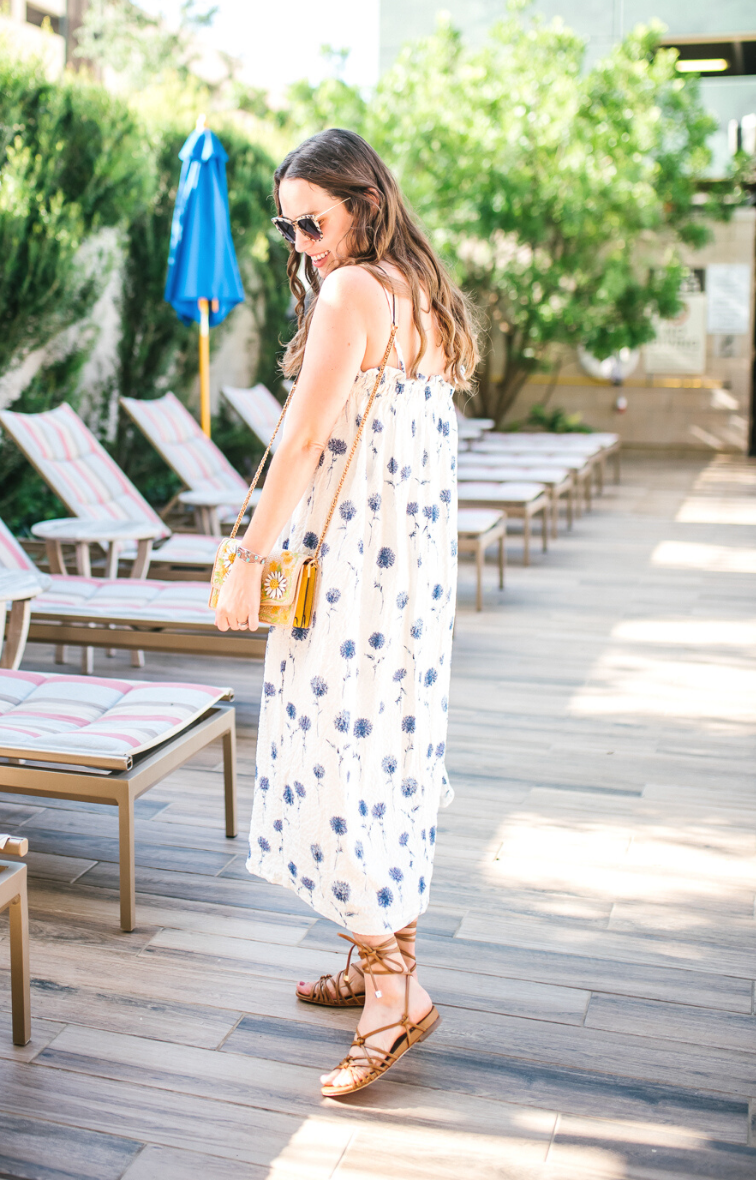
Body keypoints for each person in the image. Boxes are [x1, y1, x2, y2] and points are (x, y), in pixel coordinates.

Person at [210, 128, 478, 1098]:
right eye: (289, 231)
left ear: (363, 203)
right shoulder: (425, 300)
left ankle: (395, 992)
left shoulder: (351, 292)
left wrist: (248, 561)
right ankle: (377, 956)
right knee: (387, 759)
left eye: (312, 223)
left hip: (350, 574)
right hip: (410, 587)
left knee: (325, 760)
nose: (303, 248)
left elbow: (301, 439)